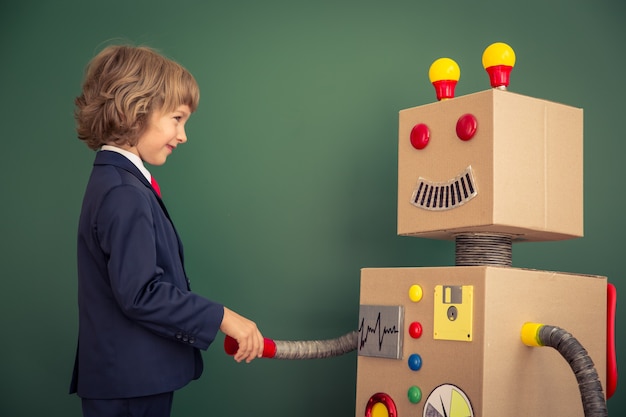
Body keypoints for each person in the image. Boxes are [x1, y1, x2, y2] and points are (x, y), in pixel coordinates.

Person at [69, 44, 265, 417]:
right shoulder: (123, 192)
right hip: (130, 385)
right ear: (136, 110)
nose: (183, 135)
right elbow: (141, 293)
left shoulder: (119, 182)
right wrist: (224, 317)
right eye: (177, 118)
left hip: (131, 380)